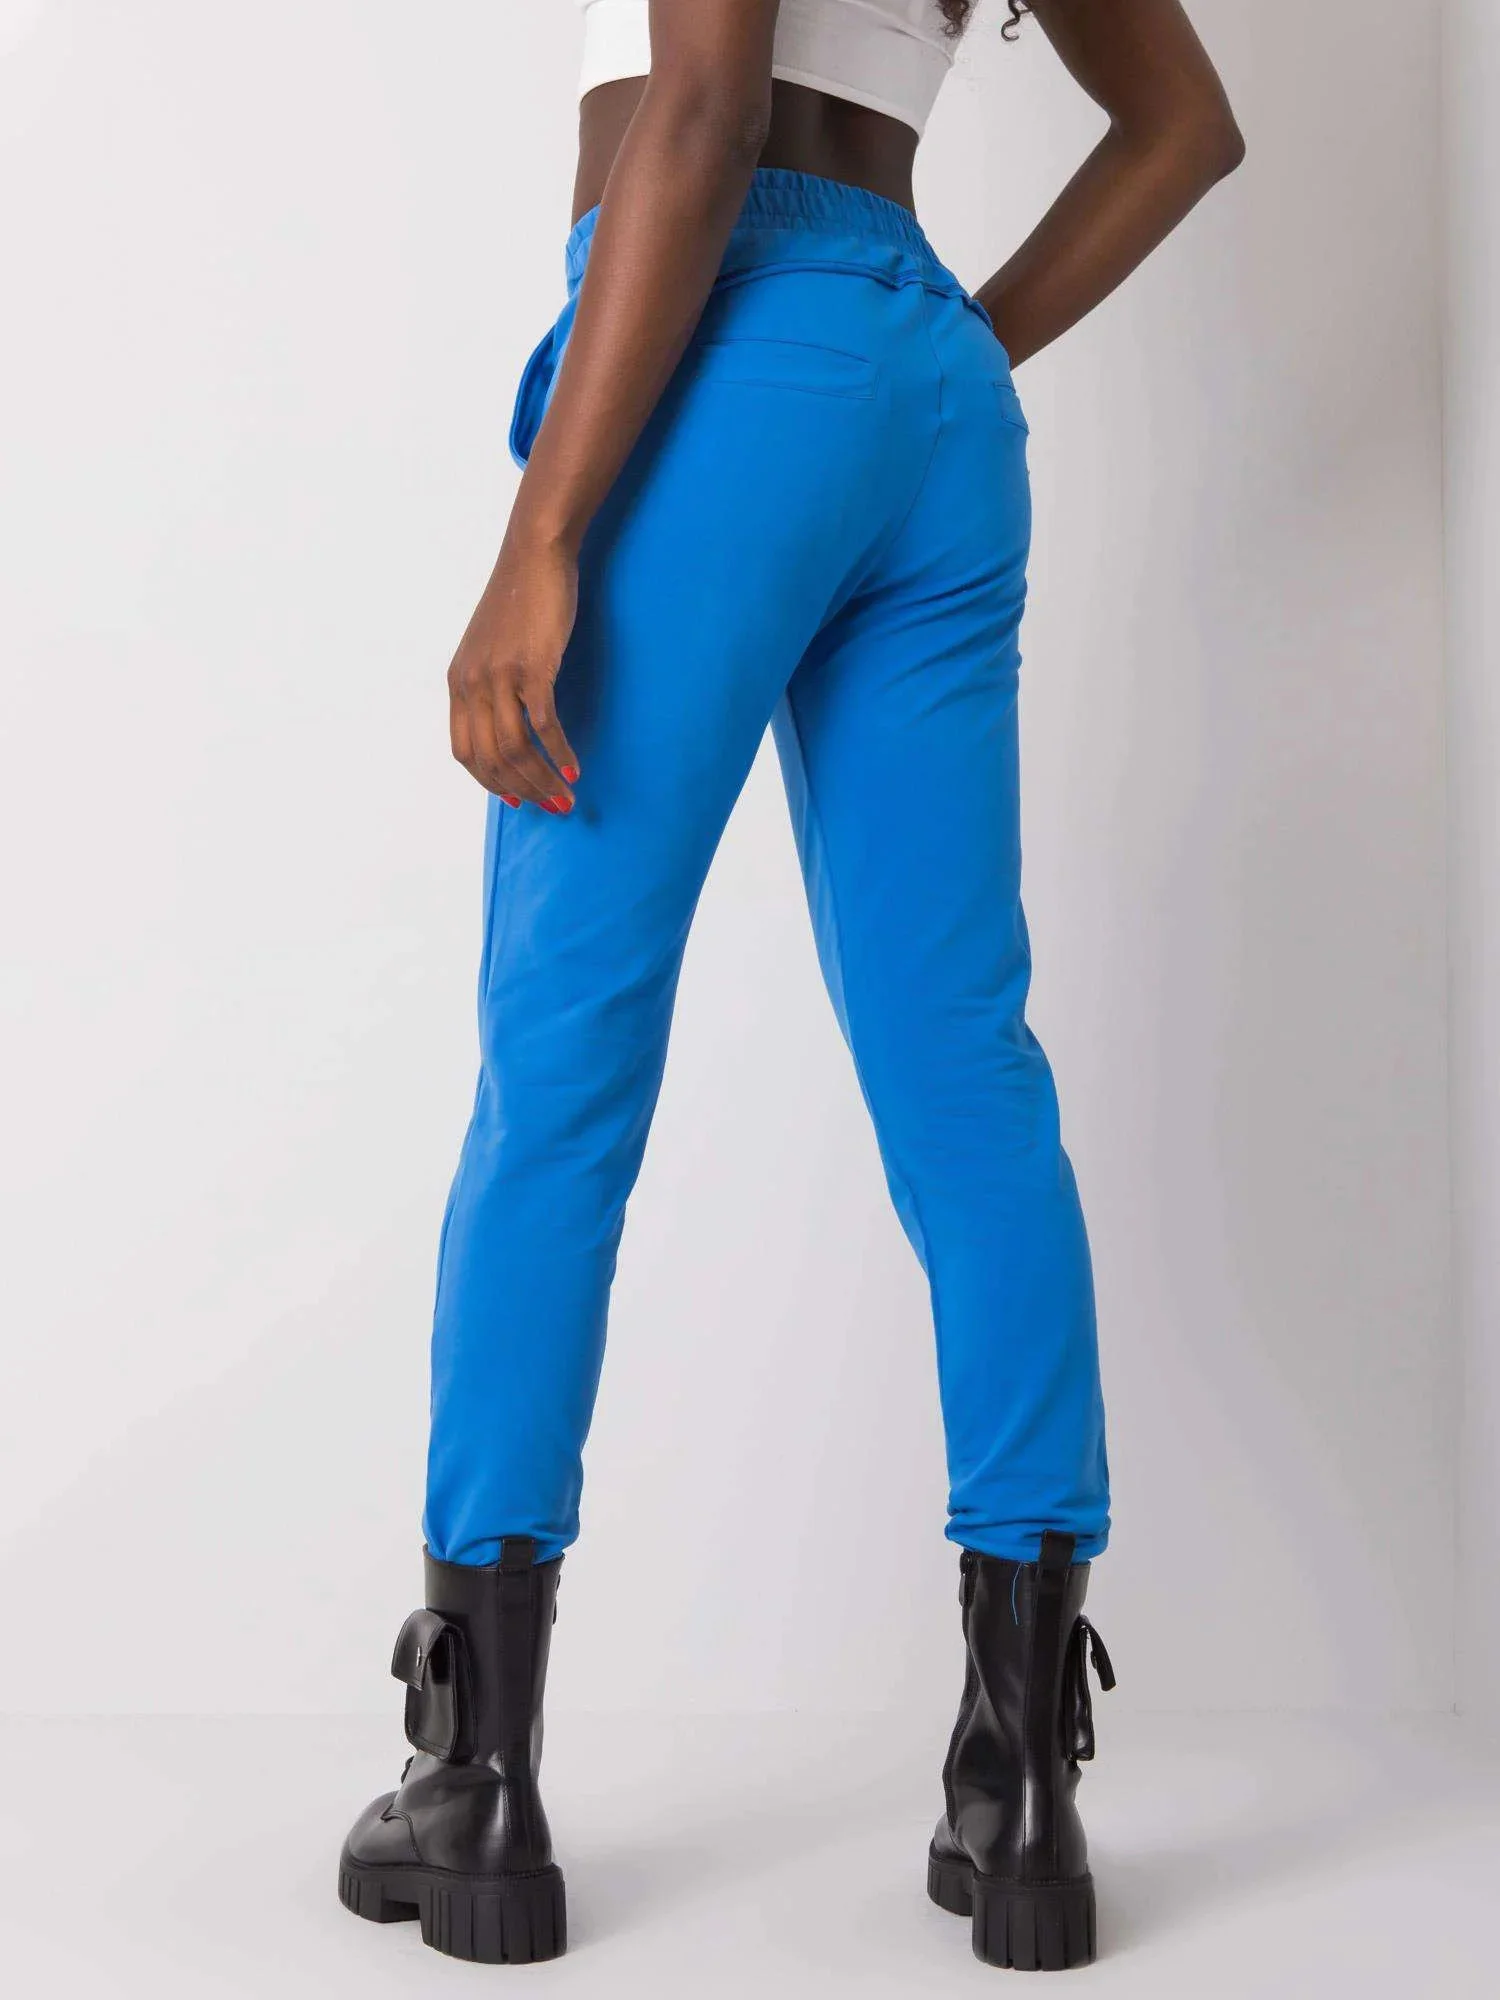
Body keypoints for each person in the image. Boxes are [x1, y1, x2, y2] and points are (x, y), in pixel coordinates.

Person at [338, 0, 1242, 1972]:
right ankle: (1022, 1783)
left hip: (713, 350)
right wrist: (946, 351)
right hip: (929, 402)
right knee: (968, 1073)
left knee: (562, 1071)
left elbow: (705, 100)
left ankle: (474, 1776)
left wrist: (540, 537)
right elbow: (1183, 124)